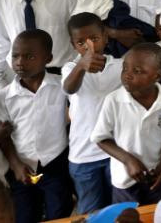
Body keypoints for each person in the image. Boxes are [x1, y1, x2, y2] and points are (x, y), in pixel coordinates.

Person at [0, 30, 73, 222]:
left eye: (29, 56)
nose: (20, 62)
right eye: (15, 56)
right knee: (24, 215)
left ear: (48, 58)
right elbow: (2, 136)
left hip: (55, 163)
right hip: (20, 166)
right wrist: (16, 164)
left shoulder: (62, 87)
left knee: (59, 213)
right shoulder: (4, 97)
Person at [91, 43, 161, 204]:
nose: (127, 75)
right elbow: (100, 138)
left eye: (137, 71)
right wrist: (128, 160)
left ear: (157, 76)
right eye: (124, 68)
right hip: (124, 179)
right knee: (126, 216)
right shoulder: (114, 101)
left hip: (154, 178)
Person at [62, 12, 123, 213]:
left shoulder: (120, 67)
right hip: (84, 156)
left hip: (116, 152)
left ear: (105, 37)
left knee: (117, 210)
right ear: (73, 45)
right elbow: (69, 88)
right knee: (90, 212)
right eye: (81, 43)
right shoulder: (71, 68)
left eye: (94, 39)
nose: (89, 47)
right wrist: (81, 66)